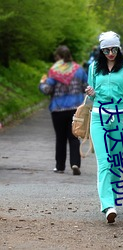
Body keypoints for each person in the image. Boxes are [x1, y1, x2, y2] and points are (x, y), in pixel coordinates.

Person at [85, 31, 123, 223]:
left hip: (119, 118)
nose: (110, 53)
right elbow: (91, 97)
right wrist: (90, 92)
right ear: (101, 50)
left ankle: (113, 199)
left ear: (119, 48)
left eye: (113, 49)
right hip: (99, 117)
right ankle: (108, 205)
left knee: (116, 162)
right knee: (104, 162)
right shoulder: (93, 68)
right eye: (106, 50)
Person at [39, 45, 88, 175]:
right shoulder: (79, 70)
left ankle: (60, 166)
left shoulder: (54, 71)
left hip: (58, 109)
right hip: (75, 109)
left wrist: (42, 83)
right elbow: (86, 87)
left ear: (58, 57)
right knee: (74, 137)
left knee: (60, 138)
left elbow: (47, 90)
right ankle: (75, 163)